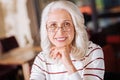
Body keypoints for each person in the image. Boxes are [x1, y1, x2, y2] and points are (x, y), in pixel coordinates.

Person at [30, 1, 105, 80]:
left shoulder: (93, 52)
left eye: (66, 24)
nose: (60, 32)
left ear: (76, 27)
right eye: (53, 25)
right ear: (46, 30)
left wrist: (68, 64)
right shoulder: (42, 58)